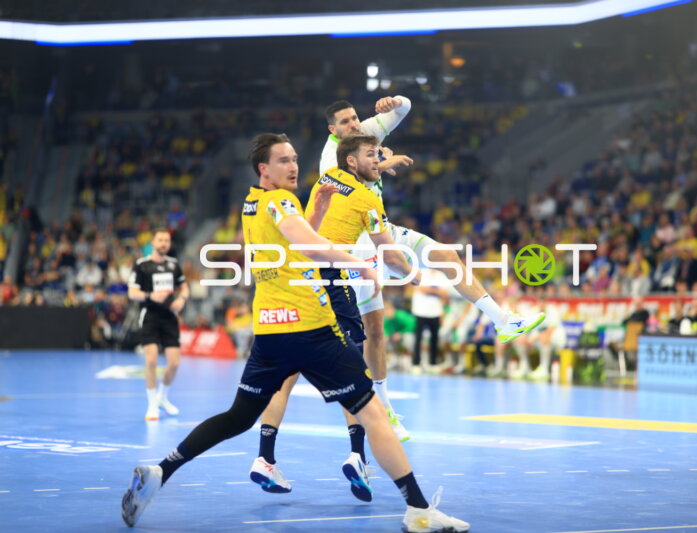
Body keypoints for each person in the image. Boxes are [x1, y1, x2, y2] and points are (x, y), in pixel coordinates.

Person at [121, 133, 469, 533]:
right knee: (372, 412)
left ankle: (159, 471)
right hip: (311, 329)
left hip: (270, 332)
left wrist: (317, 212)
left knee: (238, 416)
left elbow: (294, 244)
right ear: (263, 169)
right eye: (283, 161)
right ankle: (419, 512)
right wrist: (358, 265)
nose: (293, 166)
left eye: (295, 159)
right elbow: (312, 246)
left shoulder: (253, 203)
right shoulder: (282, 201)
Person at [320, 97, 545, 437]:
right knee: (374, 331)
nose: (354, 124)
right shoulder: (330, 158)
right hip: (359, 249)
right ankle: (384, 412)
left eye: (354, 117)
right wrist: (384, 161)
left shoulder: (363, 133)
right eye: (346, 122)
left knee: (447, 255)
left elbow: (404, 111)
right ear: (333, 129)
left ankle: (502, 319)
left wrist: (396, 100)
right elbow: (348, 185)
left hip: (384, 230)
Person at [250, 134, 421, 501]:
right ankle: (359, 456)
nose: (377, 160)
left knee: (286, 374)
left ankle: (264, 458)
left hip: (296, 279)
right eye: (371, 156)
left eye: (379, 156)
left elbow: (311, 224)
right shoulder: (368, 198)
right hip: (334, 276)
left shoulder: (325, 180)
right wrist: (415, 274)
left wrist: (383, 162)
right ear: (353, 161)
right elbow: (389, 255)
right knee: (353, 371)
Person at [127, 229, 188, 421]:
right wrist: (149, 296)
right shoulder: (142, 265)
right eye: (160, 240)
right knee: (151, 360)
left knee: (174, 363)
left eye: (167, 240)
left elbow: (184, 286)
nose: (164, 243)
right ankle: (152, 404)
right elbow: (132, 292)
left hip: (169, 317)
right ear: (153, 242)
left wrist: (182, 299)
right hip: (150, 316)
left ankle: (162, 396)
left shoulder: (173, 265)